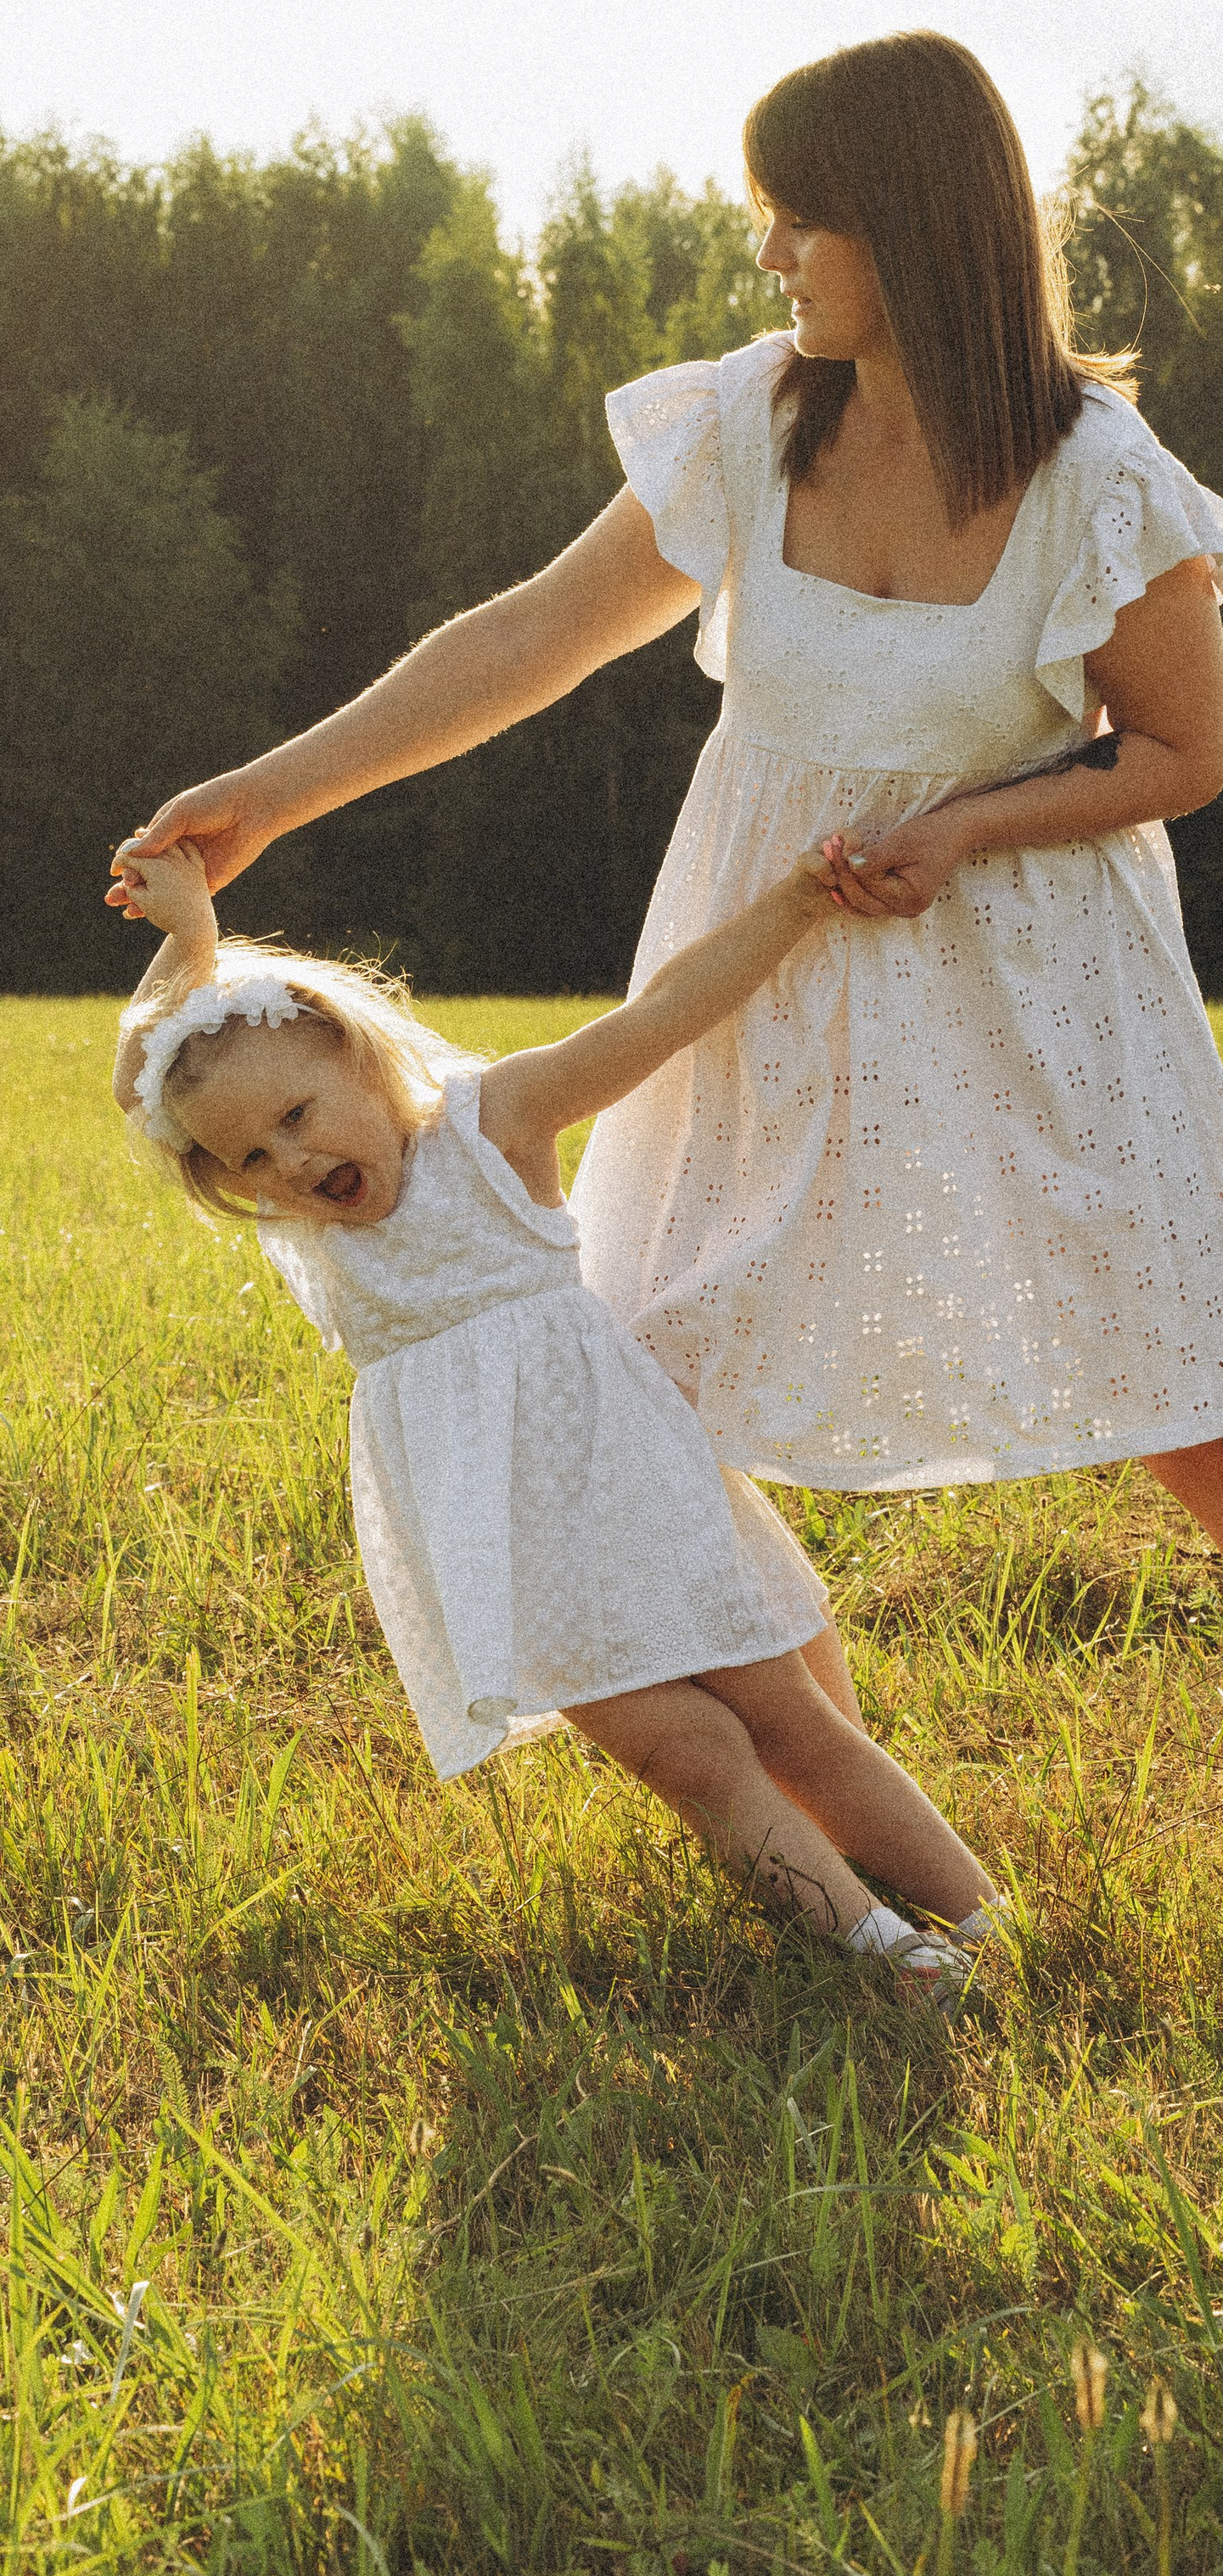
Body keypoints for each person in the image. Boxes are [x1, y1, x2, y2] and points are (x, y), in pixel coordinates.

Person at [113, 30, 1223, 1879]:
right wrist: (272, 797)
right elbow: (532, 636)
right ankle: (865, 1869)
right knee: (662, 1390)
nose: (771, 259)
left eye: (798, 223)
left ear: (908, 226)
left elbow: (1179, 756)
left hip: (1029, 993)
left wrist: (963, 825)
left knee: (1212, 1418)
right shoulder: (753, 421)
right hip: (751, 973)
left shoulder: (1097, 474)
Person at [109, 835, 1001, 1997]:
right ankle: (883, 1953)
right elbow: (142, 1081)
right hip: (507, 1546)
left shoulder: (489, 1129)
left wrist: (795, 903)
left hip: (629, 1483)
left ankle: (984, 1921)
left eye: (298, 1112)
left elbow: (667, 1015)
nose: (288, 1159)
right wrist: (191, 945)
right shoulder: (308, 1229)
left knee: (788, 1720)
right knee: (690, 1755)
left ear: (354, 1052)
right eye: (253, 1156)